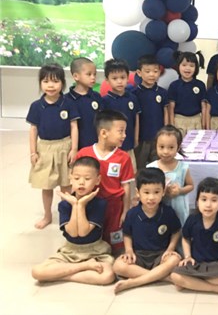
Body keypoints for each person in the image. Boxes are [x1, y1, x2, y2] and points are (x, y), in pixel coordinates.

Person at [31, 156, 115, 285]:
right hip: (70, 250)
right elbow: (73, 233)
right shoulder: (64, 205)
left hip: (95, 251)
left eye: (87, 179)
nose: (81, 182)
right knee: (37, 272)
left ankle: (60, 274)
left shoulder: (100, 203)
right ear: (70, 178)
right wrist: (75, 205)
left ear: (97, 180)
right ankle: (83, 267)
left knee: (107, 276)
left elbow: (83, 232)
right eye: (76, 178)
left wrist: (80, 205)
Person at [27, 63, 80, 229]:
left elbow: (74, 126)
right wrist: (33, 152)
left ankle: (67, 215)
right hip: (45, 148)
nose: (50, 85)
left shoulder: (68, 103)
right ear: (40, 83)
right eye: (46, 81)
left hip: (65, 146)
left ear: (62, 83)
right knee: (46, 185)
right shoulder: (36, 106)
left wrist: (74, 149)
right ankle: (47, 215)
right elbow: (33, 129)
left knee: (66, 185)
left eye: (55, 81)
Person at [113, 168, 182, 293]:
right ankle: (164, 278)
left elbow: (176, 232)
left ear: (163, 192)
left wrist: (170, 249)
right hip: (139, 255)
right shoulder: (132, 214)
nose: (151, 197)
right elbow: (127, 234)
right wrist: (129, 250)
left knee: (175, 260)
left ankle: (134, 282)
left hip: (160, 255)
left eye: (156, 192)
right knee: (118, 266)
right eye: (146, 192)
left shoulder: (168, 212)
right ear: (138, 192)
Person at [76, 109, 134, 253]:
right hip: (90, 205)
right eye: (120, 131)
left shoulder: (124, 157)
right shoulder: (84, 153)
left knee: (114, 243)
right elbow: (76, 181)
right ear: (103, 133)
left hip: (114, 207)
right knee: (91, 238)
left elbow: (126, 186)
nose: (124, 135)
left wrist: (125, 211)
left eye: (125, 131)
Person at [170, 178, 218, 297]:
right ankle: (217, 289)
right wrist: (188, 256)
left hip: (217, 265)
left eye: (214, 200)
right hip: (196, 264)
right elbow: (185, 238)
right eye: (204, 199)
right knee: (175, 275)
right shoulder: (192, 220)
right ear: (197, 201)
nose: (208, 205)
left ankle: (193, 283)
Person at [147, 125, 194, 225]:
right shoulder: (151, 168)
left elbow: (191, 186)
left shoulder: (183, 167)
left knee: (179, 229)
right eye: (161, 147)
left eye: (171, 147)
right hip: (158, 208)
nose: (166, 151)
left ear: (178, 147)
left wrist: (180, 190)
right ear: (156, 146)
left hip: (178, 209)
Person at [102, 58, 140, 172]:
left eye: (122, 77)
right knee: (113, 174)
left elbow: (136, 118)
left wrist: (136, 138)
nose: (119, 81)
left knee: (130, 172)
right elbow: (103, 124)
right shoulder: (105, 101)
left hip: (129, 144)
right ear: (107, 80)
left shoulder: (132, 98)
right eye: (114, 78)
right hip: (111, 147)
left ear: (128, 78)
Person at [133, 55, 169, 168]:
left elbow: (166, 112)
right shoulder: (134, 94)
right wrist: (135, 137)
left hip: (158, 137)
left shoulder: (162, 92)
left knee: (159, 166)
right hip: (141, 138)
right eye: (147, 71)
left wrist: (166, 131)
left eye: (155, 71)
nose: (152, 75)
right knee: (140, 166)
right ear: (139, 73)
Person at [167, 51, 206, 136]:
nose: (187, 68)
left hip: (196, 120)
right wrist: (172, 125)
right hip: (179, 121)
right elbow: (171, 108)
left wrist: (203, 124)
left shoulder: (200, 85)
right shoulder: (174, 85)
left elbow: (204, 107)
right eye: (184, 65)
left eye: (191, 66)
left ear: (196, 68)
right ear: (178, 66)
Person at [68, 57, 103, 150]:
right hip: (74, 147)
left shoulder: (97, 97)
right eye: (89, 74)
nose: (93, 77)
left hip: (96, 145)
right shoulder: (66, 99)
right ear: (76, 76)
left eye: (94, 74)